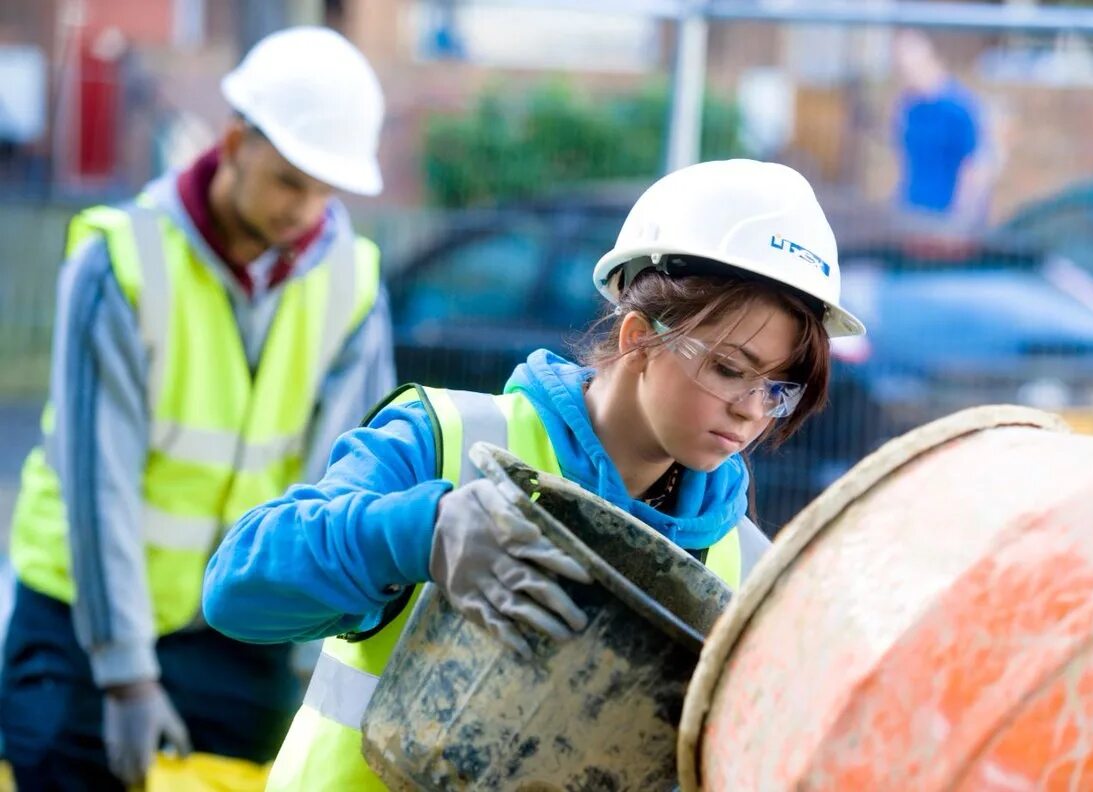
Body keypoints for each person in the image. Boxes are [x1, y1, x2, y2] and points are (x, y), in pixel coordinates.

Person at [202, 158, 867, 790]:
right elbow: (236, 588)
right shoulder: (449, 445)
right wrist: (418, 535)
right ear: (637, 338)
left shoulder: (743, 575)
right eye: (728, 368)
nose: (751, 411)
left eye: (778, 389)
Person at [0, 26, 395, 790]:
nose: (304, 210)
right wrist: (125, 679)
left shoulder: (351, 285)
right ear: (236, 140)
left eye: (325, 190)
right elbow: (99, 485)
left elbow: (340, 486)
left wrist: (315, 663)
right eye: (288, 180)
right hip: (80, 617)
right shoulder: (120, 263)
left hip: (234, 616)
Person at [891, 29, 998, 231]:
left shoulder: (960, 107)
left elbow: (978, 165)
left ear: (931, 57)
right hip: (911, 214)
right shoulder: (908, 107)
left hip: (946, 219)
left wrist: (962, 219)